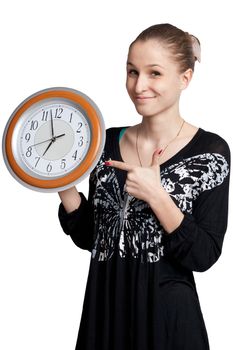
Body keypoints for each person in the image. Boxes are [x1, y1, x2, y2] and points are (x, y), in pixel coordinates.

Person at [58, 23, 230, 350]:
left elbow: (204, 255)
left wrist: (157, 195)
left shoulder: (211, 151)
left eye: (154, 73)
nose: (139, 85)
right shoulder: (104, 142)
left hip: (167, 321)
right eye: (132, 72)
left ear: (185, 78)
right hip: (104, 313)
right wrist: (63, 182)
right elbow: (93, 238)